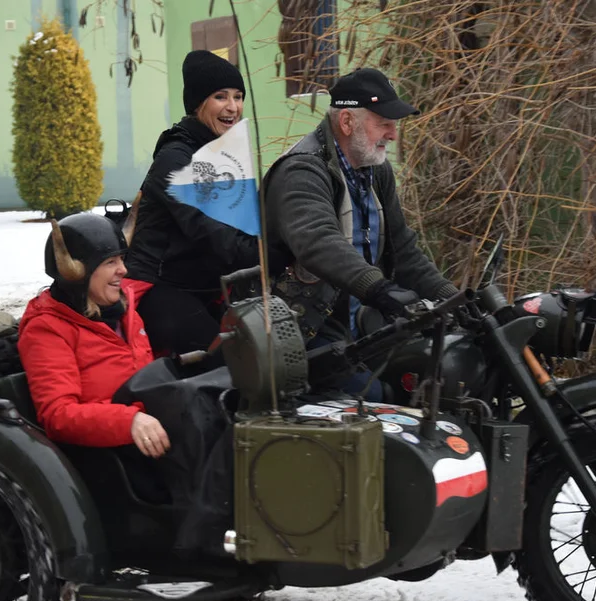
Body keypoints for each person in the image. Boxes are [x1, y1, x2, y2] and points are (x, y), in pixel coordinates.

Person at [262, 67, 460, 399]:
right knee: (377, 398)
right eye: (384, 123)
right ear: (347, 123)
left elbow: (404, 248)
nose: (394, 134)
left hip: (365, 327)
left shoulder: (375, 171)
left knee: (434, 376)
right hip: (308, 331)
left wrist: (449, 296)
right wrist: (378, 288)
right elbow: (318, 241)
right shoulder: (302, 169)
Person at [18, 213, 172, 497]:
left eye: (122, 259)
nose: (123, 270)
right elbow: (58, 415)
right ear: (79, 272)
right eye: (110, 262)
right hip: (106, 462)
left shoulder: (123, 310)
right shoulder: (47, 328)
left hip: (152, 435)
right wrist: (129, 421)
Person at [124, 49, 262, 358]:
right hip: (160, 288)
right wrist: (272, 253)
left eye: (238, 97)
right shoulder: (176, 160)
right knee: (230, 361)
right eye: (221, 97)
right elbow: (217, 235)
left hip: (209, 287)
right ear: (198, 104)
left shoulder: (222, 155)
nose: (233, 107)